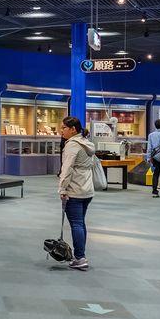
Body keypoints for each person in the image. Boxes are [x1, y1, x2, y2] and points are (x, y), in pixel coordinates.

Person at [59, 116, 96, 271]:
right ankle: (80, 256)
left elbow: (66, 169)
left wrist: (62, 188)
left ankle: (80, 258)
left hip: (74, 190)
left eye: (64, 128)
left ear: (73, 129)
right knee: (80, 223)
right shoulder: (87, 143)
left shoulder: (72, 145)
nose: (61, 131)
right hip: (87, 189)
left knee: (76, 224)